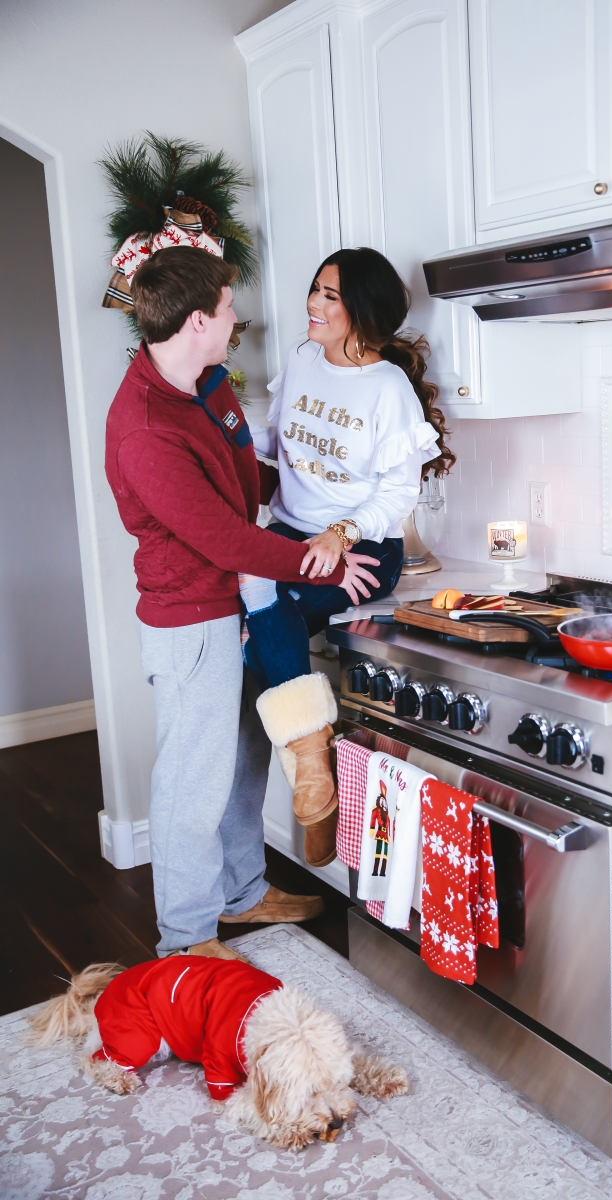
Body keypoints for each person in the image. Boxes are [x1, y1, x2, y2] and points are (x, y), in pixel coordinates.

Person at [104, 246, 380, 959]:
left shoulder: (208, 383)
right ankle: (187, 942)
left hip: (239, 607)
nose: (237, 321)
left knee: (244, 754)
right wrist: (319, 564)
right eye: (228, 311)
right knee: (191, 786)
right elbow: (223, 538)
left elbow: (246, 480)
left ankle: (244, 894)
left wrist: (330, 495)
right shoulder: (145, 430)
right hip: (191, 624)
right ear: (198, 319)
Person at [240, 247, 455, 870]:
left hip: (360, 548)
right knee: (258, 607)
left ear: (361, 311)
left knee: (257, 628)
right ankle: (313, 768)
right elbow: (277, 440)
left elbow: (397, 493)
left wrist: (340, 534)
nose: (314, 302)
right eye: (316, 289)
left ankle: (312, 779)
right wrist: (214, 434)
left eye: (331, 296)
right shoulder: (304, 358)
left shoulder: (388, 389)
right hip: (290, 535)